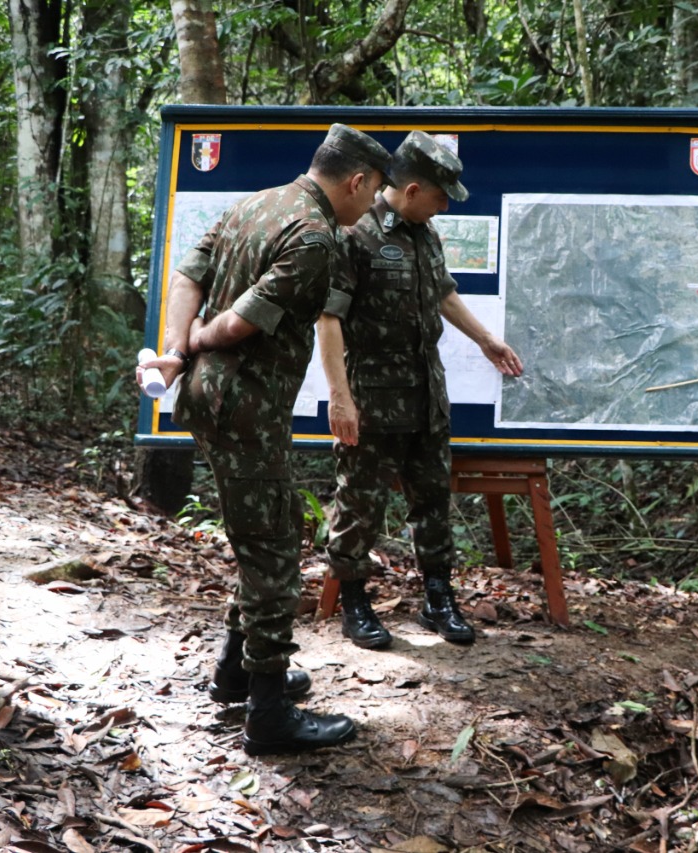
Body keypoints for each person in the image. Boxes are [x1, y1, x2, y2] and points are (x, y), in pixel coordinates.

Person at [137, 124, 392, 754]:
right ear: (356, 181)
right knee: (275, 549)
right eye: (374, 193)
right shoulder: (314, 238)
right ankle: (270, 712)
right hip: (243, 404)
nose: (372, 207)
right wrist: (190, 343)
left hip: (215, 398)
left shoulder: (256, 202)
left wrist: (174, 349)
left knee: (262, 533)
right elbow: (239, 323)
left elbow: (186, 277)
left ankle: (237, 671)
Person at [320, 131, 523, 650]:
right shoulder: (355, 233)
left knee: (432, 500)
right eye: (438, 197)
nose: (442, 207)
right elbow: (330, 318)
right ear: (411, 190)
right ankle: (356, 603)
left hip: (426, 394)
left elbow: (443, 293)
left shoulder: (424, 233)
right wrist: (340, 398)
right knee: (359, 504)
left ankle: (438, 599)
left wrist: (486, 341)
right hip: (371, 396)